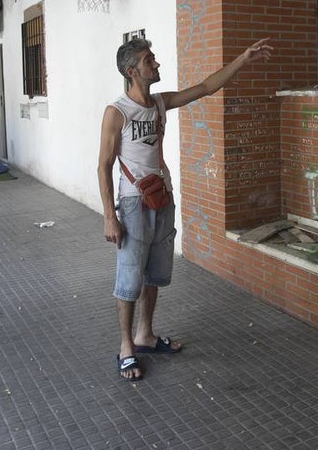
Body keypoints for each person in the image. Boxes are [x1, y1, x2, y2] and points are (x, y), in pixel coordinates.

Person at [98, 36, 274, 381]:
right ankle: (125, 347)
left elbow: (206, 87)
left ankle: (145, 335)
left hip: (162, 195)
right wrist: (110, 216)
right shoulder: (117, 112)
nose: (157, 64)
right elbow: (103, 165)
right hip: (133, 202)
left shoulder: (160, 103)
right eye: (150, 60)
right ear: (133, 71)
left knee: (154, 272)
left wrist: (243, 58)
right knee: (129, 276)